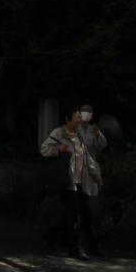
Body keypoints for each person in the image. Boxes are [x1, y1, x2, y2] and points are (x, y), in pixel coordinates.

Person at [40, 108, 102, 260]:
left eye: (80, 117)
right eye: (76, 117)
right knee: (73, 215)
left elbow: (86, 158)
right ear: (68, 119)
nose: (79, 120)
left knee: (83, 213)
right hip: (66, 182)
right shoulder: (59, 133)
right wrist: (58, 149)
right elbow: (44, 149)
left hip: (78, 181)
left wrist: (97, 177)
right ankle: (76, 249)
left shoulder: (79, 136)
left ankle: (52, 235)